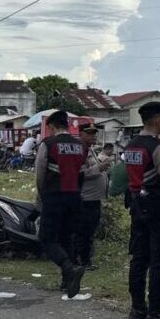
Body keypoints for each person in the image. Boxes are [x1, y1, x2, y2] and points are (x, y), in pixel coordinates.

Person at [124, 102, 160, 319]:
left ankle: (137, 307)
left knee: (139, 258)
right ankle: (154, 312)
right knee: (159, 260)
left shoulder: (131, 146)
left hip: (137, 205)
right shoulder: (159, 148)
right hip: (158, 208)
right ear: (157, 120)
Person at [34, 110, 87, 298]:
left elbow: (40, 173)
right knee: (67, 237)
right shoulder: (80, 146)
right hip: (75, 196)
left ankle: (69, 268)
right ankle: (67, 282)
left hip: (54, 195)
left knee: (46, 237)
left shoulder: (48, 144)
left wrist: (42, 196)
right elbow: (82, 173)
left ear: (51, 126)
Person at [78, 125, 108, 270]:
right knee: (84, 231)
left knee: (90, 231)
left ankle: (86, 260)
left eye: (94, 134)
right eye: (89, 134)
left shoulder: (90, 150)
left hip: (94, 198)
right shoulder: (80, 151)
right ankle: (83, 261)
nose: (93, 136)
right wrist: (99, 168)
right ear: (81, 134)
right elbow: (80, 174)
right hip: (86, 199)